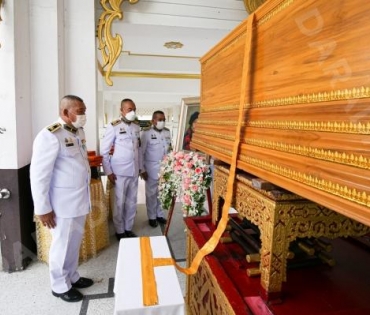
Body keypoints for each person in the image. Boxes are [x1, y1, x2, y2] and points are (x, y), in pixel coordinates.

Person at [30, 95, 94, 303]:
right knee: (61, 245)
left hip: (78, 200)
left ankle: (72, 277)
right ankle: (59, 286)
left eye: (84, 110)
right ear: (65, 112)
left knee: (73, 244)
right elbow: (39, 175)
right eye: (80, 111)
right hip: (61, 204)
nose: (84, 115)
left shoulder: (78, 131)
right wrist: (42, 208)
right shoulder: (50, 135)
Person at [100, 98, 142, 240]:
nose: (133, 112)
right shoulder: (114, 126)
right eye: (130, 109)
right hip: (119, 171)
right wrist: (108, 171)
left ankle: (128, 228)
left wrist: (140, 168)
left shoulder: (136, 127)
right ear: (122, 110)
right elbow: (104, 151)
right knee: (119, 202)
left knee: (132, 201)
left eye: (134, 109)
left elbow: (138, 150)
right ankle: (119, 231)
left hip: (134, 170)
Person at [140, 111, 172, 227]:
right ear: (153, 120)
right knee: (151, 194)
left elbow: (169, 150)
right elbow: (141, 153)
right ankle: (152, 217)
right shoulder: (146, 133)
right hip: (151, 169)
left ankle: (159, 215)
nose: (162, 122)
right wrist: (142, 169)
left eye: (163, 119)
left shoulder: (167, 132)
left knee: (161, 193)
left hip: (164, 168)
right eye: (159, 119)